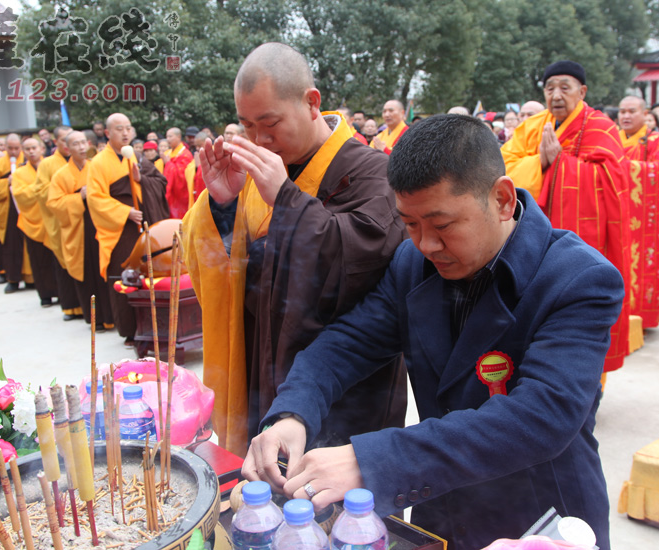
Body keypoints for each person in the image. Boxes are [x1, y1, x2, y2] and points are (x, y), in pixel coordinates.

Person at [243, 114, 622, 550]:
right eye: (410, 223)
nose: (426, 244)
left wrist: (370, 461)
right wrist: (292, 412)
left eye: (442, 225)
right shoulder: (412, 266)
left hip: (538, 518)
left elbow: (541, 417)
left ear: (500, 199)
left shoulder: (577, 279)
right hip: (441, 509)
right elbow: (345, 345)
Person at [183, 42, 408, 456]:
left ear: (311, 102)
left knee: (338, 509)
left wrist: (285, 198)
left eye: (270, 123)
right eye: (247, 126)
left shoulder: (373, 172)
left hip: (341, 384)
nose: (259, 139)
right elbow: (230, 263)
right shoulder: (261, 172)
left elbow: (359, 259)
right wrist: (223, 205)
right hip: (262, 357)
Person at [502, 60, 630, 373]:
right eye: (550, 88)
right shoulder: (532, 127)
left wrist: (563, 163)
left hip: (587, 239)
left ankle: (585, 379)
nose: (556, 95)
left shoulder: (602, 127)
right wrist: (541, 162)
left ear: (582, 91)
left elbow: (614, 180)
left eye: (565, 87)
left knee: (578, 307)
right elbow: (503, 168)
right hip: (533, 238)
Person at [87, 113, 171, 344]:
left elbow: (159, 182)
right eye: (119, 129)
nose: (125, 133)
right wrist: (125, 212)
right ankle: (130, 331)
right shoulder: (98, 163)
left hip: (141, 227)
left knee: (144, 274)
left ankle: (150, 326)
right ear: (107, 133)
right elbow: (95, 199)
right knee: (123, 276)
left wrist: (141, 179)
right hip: (119, 230)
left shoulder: (134, 157)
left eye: (128, 128)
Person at [47, 131, 114, 330]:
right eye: (76, 144)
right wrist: (79, 197)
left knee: (104, 271)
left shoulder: (95, 167)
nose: (82, 147)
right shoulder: (60, 175)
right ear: (67, 148)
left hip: (99, 224)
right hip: (78, 230)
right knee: (87, 274)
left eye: (83, 142)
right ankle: (95, 320)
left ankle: (111, 317)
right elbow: (53, 204)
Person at [33, 125, 83, 321]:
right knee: (64, 263)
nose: (73, 144)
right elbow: (41, 193)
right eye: (66, 140)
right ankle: (71, 307)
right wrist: (72, 194)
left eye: (78, 141)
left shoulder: (87, 163)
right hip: (59, 219)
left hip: (82, 220)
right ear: (58, 143)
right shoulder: (47, 165)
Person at [618, 95, 659, 329]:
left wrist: (621, 167)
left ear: (645, 115)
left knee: (643, 262)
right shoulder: (613, 138)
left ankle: (643, 314)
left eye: (631, 111)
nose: (625, 116)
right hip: (620, 211)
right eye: (622, 111)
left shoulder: (652, 141)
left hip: (645, 217)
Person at [11, 137, 58, 308]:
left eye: (34, 147)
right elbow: (20, 195)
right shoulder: (19, 173)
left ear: (42, 149)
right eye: (28, 149)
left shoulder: (51, 166)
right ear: (23, 152)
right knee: (39, 260)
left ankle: (60, 292)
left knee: (56, 259)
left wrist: (43, 188)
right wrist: (41, 187)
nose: (31, 151)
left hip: (53, 219)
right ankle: (45, 295)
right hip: (33, 221)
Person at [0, 133, 29, 292]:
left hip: (26, 207)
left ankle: (30, 278)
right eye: (10, 148)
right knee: (11, 244)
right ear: (5, 148)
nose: (14, 152)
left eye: (17, 148)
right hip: (7, 209)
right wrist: (5, 183)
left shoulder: (27, 161)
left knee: (29, 244)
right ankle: (13, 279)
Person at [163, 127, 195, 218]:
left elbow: (183, 176)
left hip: (180, 195)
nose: (168, 139)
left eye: (170, 136)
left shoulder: (185, 154)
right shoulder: (168, 153)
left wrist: (168, 164)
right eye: (167, 137)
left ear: (179, 137)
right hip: (171, 194)